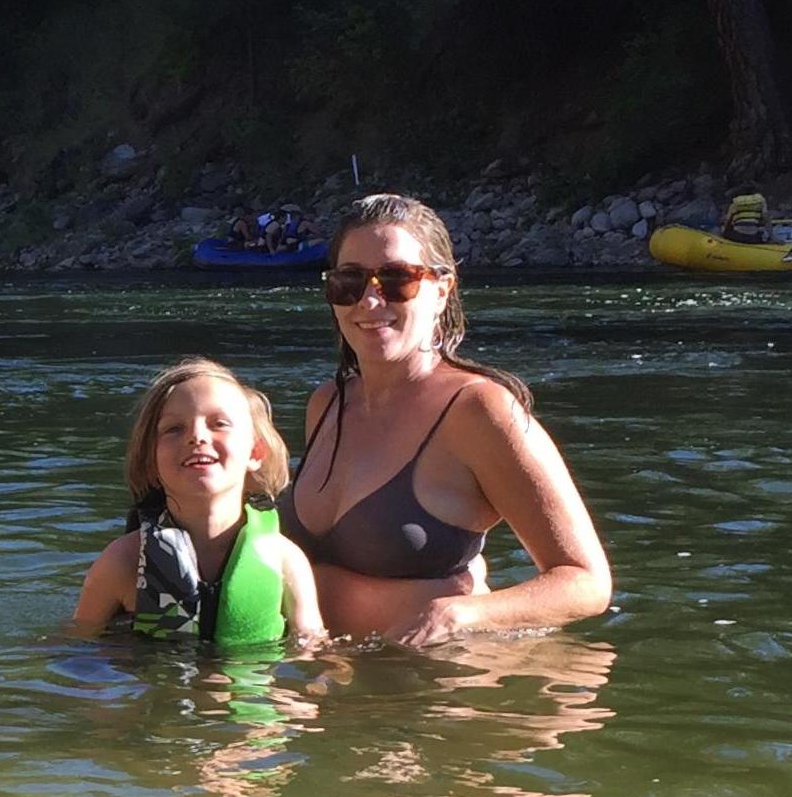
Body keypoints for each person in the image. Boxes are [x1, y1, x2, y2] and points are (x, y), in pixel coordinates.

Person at [276, 193, 611, 645]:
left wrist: (458, 615)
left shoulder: (481, 411)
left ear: (441, 289)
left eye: (397, 279)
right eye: (349, 281)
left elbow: (587, 583)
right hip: (342, 688)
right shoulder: (327, 403)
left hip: (440, 692)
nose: (370, 301)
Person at [70, 357, 325, 650]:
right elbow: (77, 650)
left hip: (251, 694)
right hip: (157, 691)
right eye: (174, 429)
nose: (196, 436)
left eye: (219, 423)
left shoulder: (285, 559)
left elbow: (312, 649)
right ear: (150, 460)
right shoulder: (122, 562)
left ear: (255, 452)